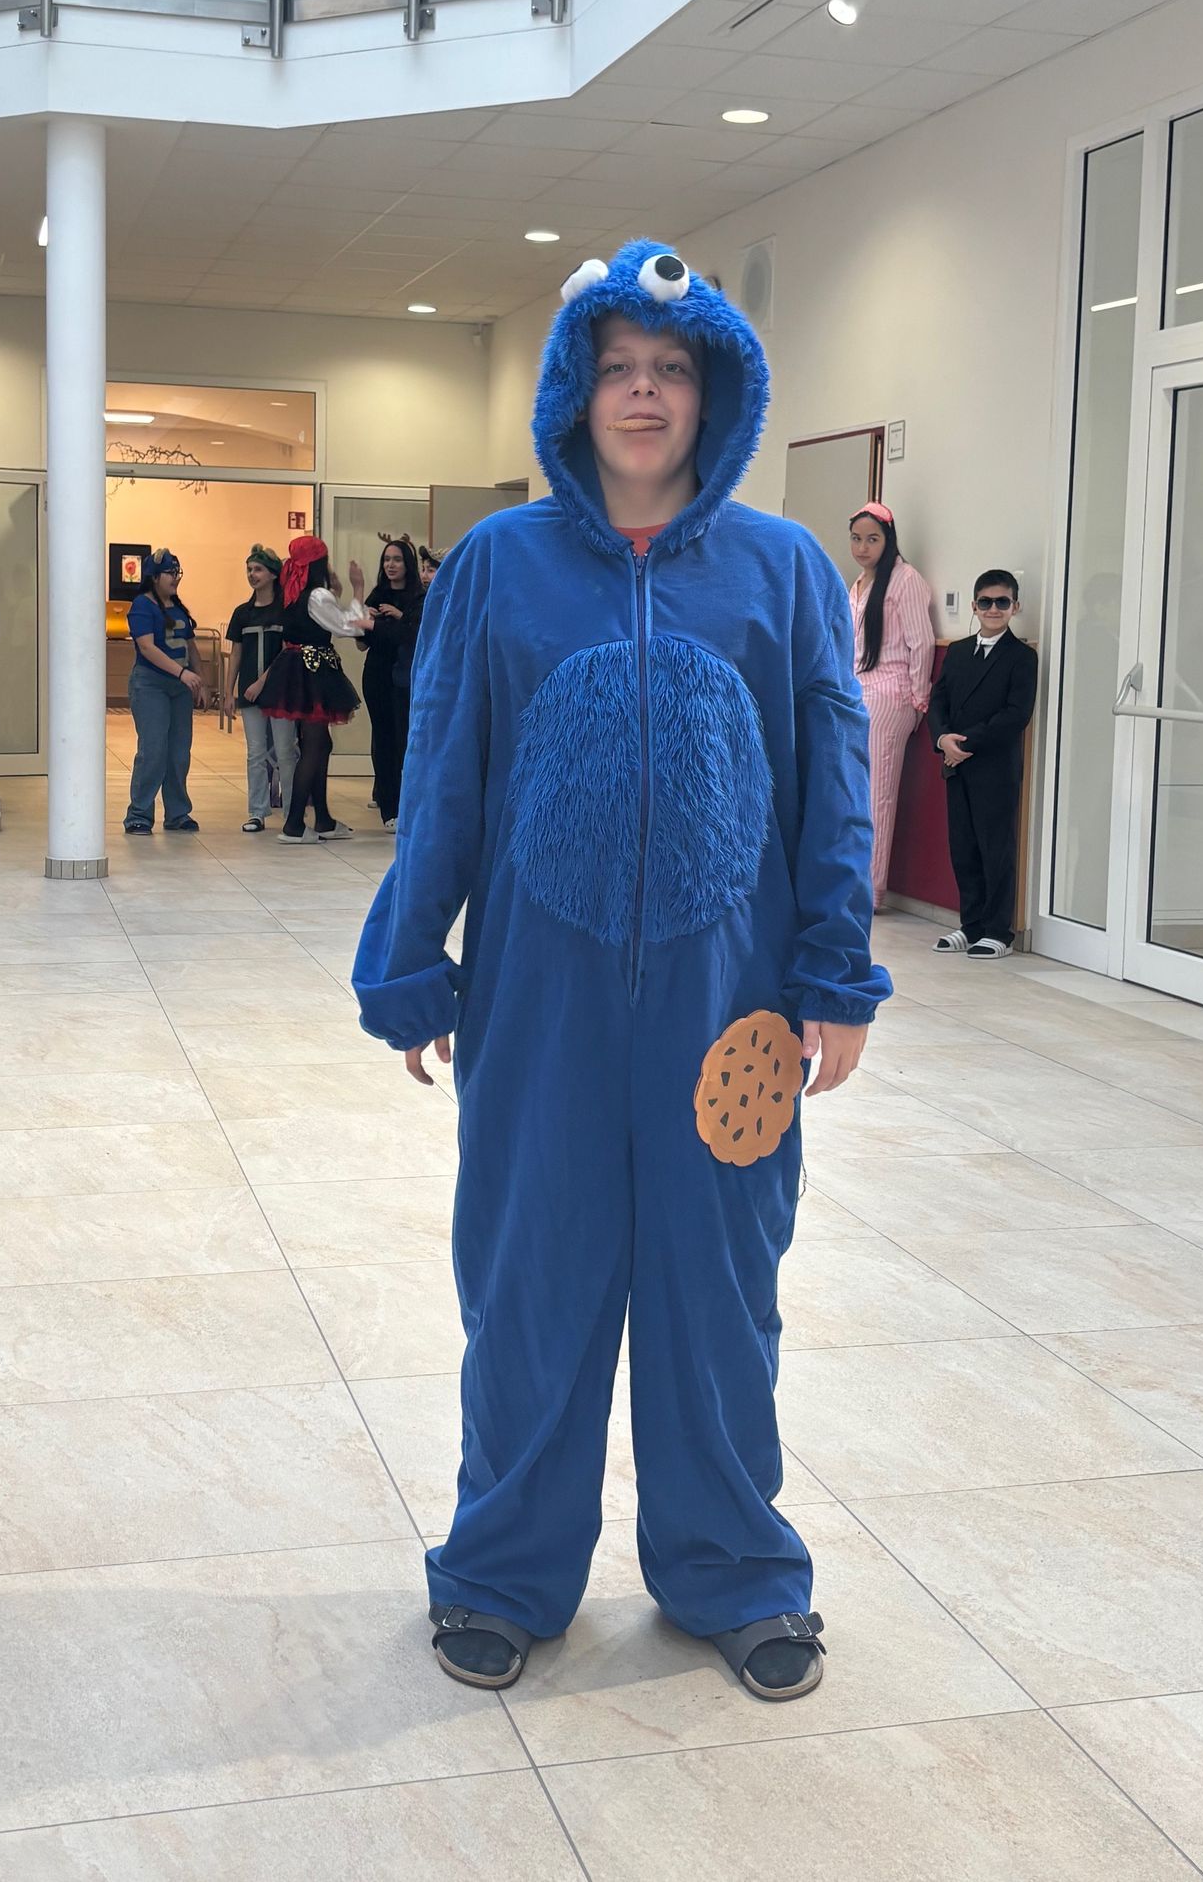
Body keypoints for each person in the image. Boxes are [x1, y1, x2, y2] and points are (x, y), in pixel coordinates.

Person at [354, 240, 891, 1704]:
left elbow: (829, 781)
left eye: (669, 371)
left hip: (734, 1007)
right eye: (616, 370)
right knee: (530, 1285)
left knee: (719, 1296)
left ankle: (735, 1570)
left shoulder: (782, 568)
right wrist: (409, 957)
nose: (642, 394)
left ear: (713, 395)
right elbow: (445, 767)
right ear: (572, 393)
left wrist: (832, 973)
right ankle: (499, 1571)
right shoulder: (498, 564)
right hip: (539, 1003)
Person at [928, 568, 1038, 958]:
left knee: (996, 847)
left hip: (994, 765)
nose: (994, 609)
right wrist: (943, 738)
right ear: (974, 607)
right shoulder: (958, 652)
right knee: (964, 846)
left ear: (1015, 607)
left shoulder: (1022, 657)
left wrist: (966, 742)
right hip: (956, 763)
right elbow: (938, 700)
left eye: (1002, 602)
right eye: (986, 602)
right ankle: (970, 924)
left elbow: (1015, 714)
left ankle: (998, 930)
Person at [258, 535, 372, 845]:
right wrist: (358, 589)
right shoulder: (318, 595)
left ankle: (323, 819)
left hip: (299, 668)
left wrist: (336, 592)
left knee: (320, 744)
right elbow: (348, 627)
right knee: (314, 746)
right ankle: (294, 824)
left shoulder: (292, 592)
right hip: (314, 670)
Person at [847, 502, 934, 910]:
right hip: (855, 692)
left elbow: (923, 643)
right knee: (852, 793)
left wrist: (917, 702)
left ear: (888, 540)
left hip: (888, 695)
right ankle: (851, 883)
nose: (862, 547)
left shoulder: (905, 580)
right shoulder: (858, 583)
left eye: (872, 539)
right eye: (856, 539)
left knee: (878, 795)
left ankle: (872, 890)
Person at [123, 547, 205, 835]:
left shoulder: (178, 608)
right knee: (153, 750)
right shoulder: (142, 606)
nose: (175, 578)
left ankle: (178, 813)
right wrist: (182, 673)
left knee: (179, 753)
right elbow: (147, 647)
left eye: (177, 572)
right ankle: (139, 814)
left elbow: (191, 646)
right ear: (154, 577)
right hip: (150, 685)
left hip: (179, 689)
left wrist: (200, 680)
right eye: (170, 573)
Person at [226, 544, 296, 834]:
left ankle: (292, 812)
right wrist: (229, 692)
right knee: (255, 752)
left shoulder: (285, 611)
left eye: (258, 569)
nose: (252, 575)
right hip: (249, 693)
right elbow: (236, 654)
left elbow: (286, 651)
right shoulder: (242, 613)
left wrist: (262, 682)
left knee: (285, 752)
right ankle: (257, 811)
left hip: (279, 691)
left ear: (273, 574)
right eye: (249, 569)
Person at [360, 534, 424, 832]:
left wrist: (397, 617)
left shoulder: (418, 597)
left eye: (397, 559)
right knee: (383, 740)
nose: (391, 565)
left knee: (405, 740)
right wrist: (366, 619)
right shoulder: (377, 595)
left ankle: (408, 804)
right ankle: (389, 808)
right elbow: (362, 643)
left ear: (408, 563)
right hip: (377, 674)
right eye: (386, 559)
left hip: (406, 677)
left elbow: (414, 636)